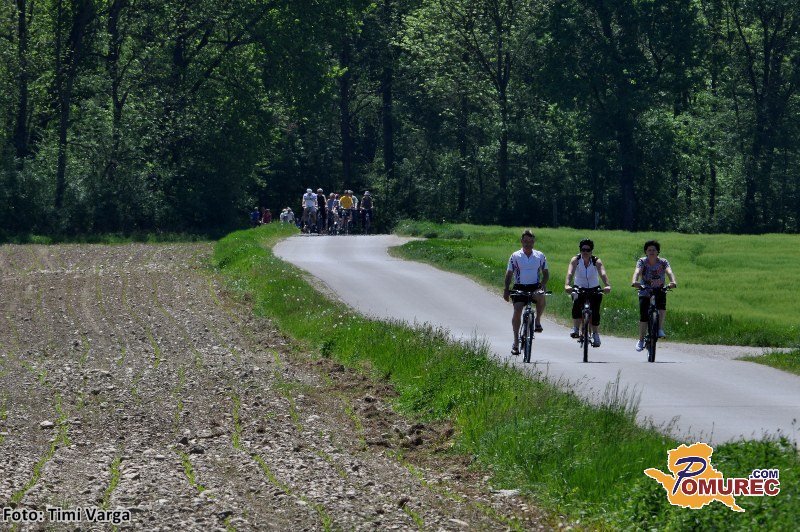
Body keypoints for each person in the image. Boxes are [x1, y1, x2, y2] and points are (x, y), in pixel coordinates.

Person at [503, 230, 549, 355]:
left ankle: (537, 320)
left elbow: (545, 273)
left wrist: (543, 284)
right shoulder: (515, 256)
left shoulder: (540, 256)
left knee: (541, 296)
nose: (528, 244)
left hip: (534, 286)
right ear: (521, 241)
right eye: (525, 241)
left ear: (534, 242)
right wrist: (506, 289)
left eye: (530, 242)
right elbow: (509, 273)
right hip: (520, 286)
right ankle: (516, 342)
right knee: (517, 309)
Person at [631, 240, 677, 351]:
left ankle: (659, 328)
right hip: (645, 290)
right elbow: (637, 271)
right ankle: (641, 340)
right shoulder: (642, 261)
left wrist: (673, 281)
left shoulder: (663, 262)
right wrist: (634, 281)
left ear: (658, 252)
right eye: (649, 250)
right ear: (646, 252)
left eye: (654, 250)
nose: (651, 252)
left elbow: (669, 271)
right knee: (644, 316)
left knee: (662, 307)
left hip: (659, 289)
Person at [564, 239, 611, 347]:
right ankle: (576, 329)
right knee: (576, 303)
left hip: (594, 288)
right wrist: (567, 284)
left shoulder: (596, 261)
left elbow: (603, 273)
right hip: (579, 287)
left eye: (588, 250)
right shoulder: (576, 260)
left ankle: (595, 334)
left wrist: (607, 285)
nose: (585, 252)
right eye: (583, 249)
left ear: (591, 251)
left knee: (595, 311)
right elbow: (570, 272)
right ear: (580, 250)